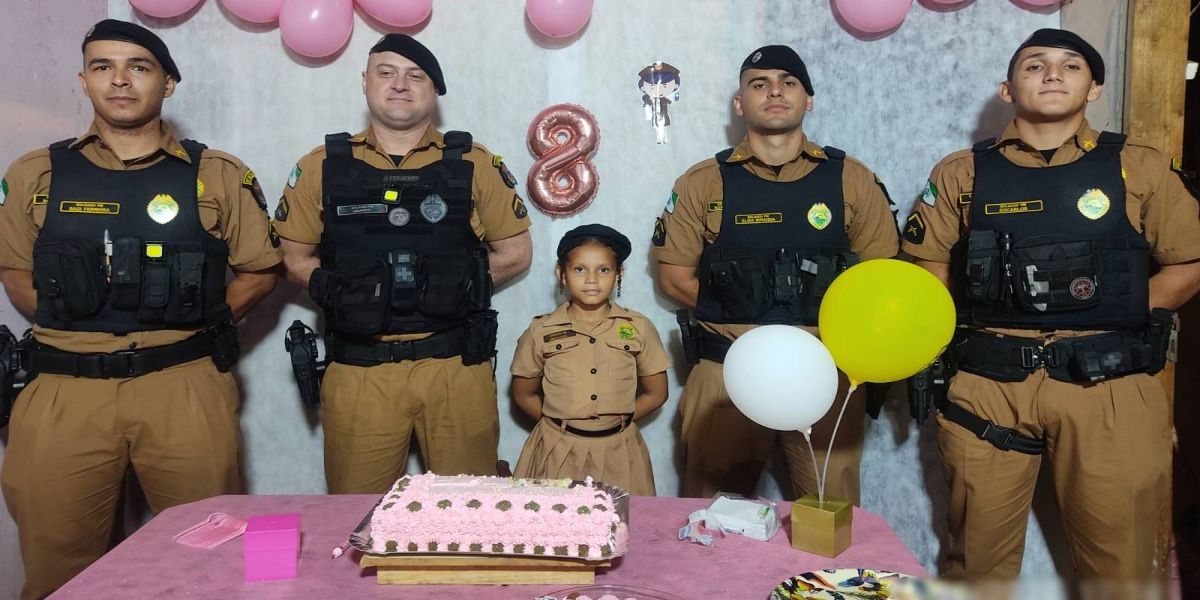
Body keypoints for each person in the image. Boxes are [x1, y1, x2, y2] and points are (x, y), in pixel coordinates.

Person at [903, 29, 1200, 586]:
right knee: (975, 566)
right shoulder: (961, 172)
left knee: (1124, 568)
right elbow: (927, 265)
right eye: (1034, 65)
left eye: (1071, 65)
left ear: (1093, 89)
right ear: (1007, 88)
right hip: (988, 385)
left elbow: (1187, 266)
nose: (1053, 73)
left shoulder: (1140, 166)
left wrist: (1111, 308)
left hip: (1108, 384)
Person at [0, 19, 280, 599]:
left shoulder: (218, 175)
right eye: (103, 67)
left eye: (140, 67)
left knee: (214, 563)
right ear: (83, 80)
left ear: (169, 84)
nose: (120, 81)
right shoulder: (35, 174)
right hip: (62, 391)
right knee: (59, 570)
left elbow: (261, 270)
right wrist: (77, 323)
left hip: (183, 384)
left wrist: (202, 319)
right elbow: (14, 271)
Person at [274, 33, 533, 494]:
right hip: (360, 371)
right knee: (358, 515)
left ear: (433, 92)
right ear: (365, 82)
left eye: (416, 76)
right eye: (386, 72)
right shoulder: (321, 166)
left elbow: (515, 252)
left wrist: (463, 284)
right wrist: (337, 289)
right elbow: (293, 258)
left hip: (453, 366)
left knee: (470, 516)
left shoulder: (474, 163)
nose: (400, 84)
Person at [652, 45, 900, 501]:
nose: (775, 92)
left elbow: (881, 279)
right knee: (712, 520)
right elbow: (673, 278)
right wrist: (754, 331)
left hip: (825, 370)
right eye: (759, 83)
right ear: (739, 103)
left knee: (830, 517)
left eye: (788, 82)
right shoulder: (703, 181)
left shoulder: (852, 179)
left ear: (809, 99)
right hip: (727, 368)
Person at [510, 224, 670, 496]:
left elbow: (657, 393)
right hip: (558, 449)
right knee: (554, 530)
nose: (592, 279)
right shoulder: (542, 330)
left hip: (620, 450)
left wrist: (617, 423)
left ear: (619, 273)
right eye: (579, 269)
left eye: (604, 270)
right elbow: (523, 394)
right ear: (561, 274)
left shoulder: (638, 327)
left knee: (622, 529)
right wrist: (560, 425)